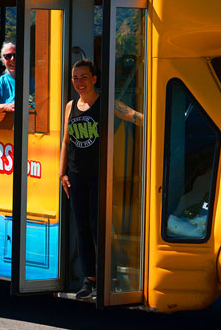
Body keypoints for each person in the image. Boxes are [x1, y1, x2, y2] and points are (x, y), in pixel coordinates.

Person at [58, 60, 141, 299]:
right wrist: (62, 173)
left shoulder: (107, 103)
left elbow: (134, 117)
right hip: (75, 176)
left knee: (100, 226)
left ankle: (109, 275)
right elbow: (66, 141)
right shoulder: (70, 106)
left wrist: (161, 118)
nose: (79, 82)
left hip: (99, 175)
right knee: (82, 228)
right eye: (75, 78)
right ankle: (89, 280)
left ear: (95, 79)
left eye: (84, 77)